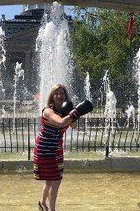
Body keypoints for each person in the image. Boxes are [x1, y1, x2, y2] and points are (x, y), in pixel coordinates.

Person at [33, 83, 93, 211]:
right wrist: (77, 112)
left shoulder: (65, 111)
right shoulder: (47, 111)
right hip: (45, 149)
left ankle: (42, 202)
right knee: (55, 180)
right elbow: (60, 123)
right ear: (52, 96)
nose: (59, 95)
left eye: (61, 93)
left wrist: (71, 114)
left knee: (50, 180)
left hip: (57, 149)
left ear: (65, 95)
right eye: (56, 93)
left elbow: (73, 126)